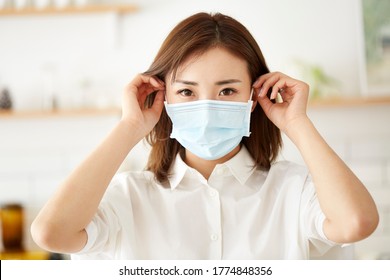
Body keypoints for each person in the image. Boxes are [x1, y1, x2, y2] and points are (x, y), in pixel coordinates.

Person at [31, 12, 379, 260]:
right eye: (187, 92)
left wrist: (296, 122)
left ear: (254, 97)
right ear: (163, 97)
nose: (208, 106)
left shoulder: (293, 189)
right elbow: (51, 233)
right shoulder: (129, 197)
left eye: (227, 91)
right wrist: (130, 127)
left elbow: (356, 223)